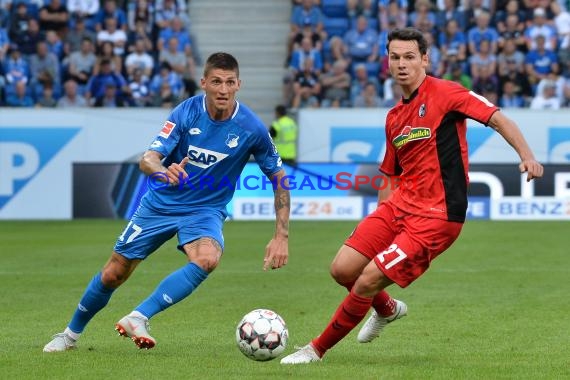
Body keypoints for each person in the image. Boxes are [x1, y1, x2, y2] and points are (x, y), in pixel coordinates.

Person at [280, 27, 544, 365]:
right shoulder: (394, 118)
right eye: (395, 57)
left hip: (438, 216)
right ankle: (387, 310)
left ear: (424, 59)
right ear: (387, 62)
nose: (402, 63)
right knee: (342, 270)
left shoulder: (447, 94)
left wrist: (527, 155)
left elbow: (497, 118)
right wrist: (377, 220)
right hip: (398, 207)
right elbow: (390, 174)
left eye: (409, 56)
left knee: (367, 281)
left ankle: (315, 349)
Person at [43, 52, 291, 352]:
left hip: (204, 210)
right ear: (204, 83)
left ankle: (139, 316)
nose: (223, 90)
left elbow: (278, 177)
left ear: (239, 84)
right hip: (161, 204)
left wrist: (281, 235)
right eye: (216, 82)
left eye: (229, 82)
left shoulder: (251, 128)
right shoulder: (185, 113)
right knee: (114, 273)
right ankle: (69, 335)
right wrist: (163, 171)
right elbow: (147, 160)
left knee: (208, 258)